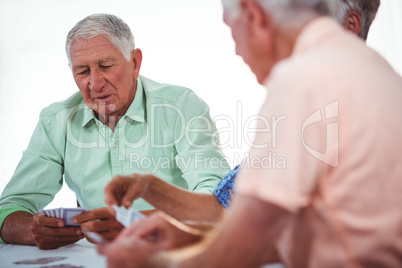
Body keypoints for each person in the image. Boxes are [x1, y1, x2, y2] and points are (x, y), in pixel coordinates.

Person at [98, 0, 402, 267]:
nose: (237, 50)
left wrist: (158, 264)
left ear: (253, 15)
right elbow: (313, 227)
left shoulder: (303, 78)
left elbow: (246, 244)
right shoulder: (377, 69)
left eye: (232, 32)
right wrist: (191, 236)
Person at [0, 13, 230, 250]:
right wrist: (33, 230)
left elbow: (218, 201)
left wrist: (137, 223)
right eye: (82, 71)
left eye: (105, 66)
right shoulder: (55, 121)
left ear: (135, 63)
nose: (95, 83)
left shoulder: (180, 106)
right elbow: (9, 208)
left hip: (176, 254)